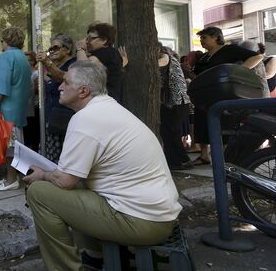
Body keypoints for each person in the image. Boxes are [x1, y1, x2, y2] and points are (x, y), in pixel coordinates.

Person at [23, 61, 182, 271]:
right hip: (157, 215)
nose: (60, 86)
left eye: (66, 83)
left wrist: (43, 175)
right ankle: (94, 256)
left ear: (83, 91)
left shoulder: (85, 119)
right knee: (78, 187)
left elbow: (65, 180)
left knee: (38, 193)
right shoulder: (108, 107)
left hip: (143, 221)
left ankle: (67, 267)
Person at [192, 27, 263, 165]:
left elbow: (257, 56)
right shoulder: (203, 57)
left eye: (204, 37)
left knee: (223, 122)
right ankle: (204, 155)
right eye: (201, 38)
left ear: (216, 37)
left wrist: (238, 71)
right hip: (204, 94)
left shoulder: (230, 50)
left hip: (222, 93)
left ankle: (226, 156)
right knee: (201, 122)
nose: (201, 41)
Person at [0, 27, 32, 191]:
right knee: (14, 144)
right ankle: (10, 177)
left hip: (6, 109)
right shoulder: (22, 58)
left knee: (9, 146)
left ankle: (11, 180)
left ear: (6, 41)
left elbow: (3, 83)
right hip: (17, 108)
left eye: (2, 41)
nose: (1, 45)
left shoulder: (6, 56)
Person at [36, 33, 78, 162]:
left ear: (67, 49)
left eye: (56, 47)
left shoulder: (74, 64)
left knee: (61, 158)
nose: (52, 51)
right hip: (51, 116)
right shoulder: (55, 66)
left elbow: (65, 77)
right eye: (50, 49)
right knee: (49, 156)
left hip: (65, 117)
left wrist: (47, 63)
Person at [158, 45, 194, 170]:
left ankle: (181, 160)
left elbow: (161, 62)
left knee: (172, 131)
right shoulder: (170, 58)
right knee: (168, 131)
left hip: (176, 102)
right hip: (172, 102)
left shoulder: (166, 56)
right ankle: (175, 160)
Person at [75, 22, 123, 103]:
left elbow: (82, 70)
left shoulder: (104, 53)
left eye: (91, 38)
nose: (87, 42)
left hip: (103, 102)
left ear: (104, 40)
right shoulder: (111, 53)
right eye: (87, 38)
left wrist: (80, 49)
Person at [23, 51, 40, 152]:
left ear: (33, 61)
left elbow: (38, 90)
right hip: (26, 108)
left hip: (34, 108)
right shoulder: (25, 73)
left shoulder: (36, 73)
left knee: (32, 135)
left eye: (28, 60)